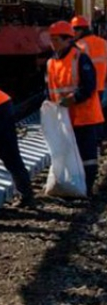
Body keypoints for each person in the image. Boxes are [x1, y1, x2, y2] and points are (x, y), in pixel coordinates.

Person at [46, 21, 104, 195]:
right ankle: (71, 186)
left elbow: (89, 86)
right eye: (51, 39)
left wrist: (74, 99)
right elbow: (49, 89)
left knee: (87, 155)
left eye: (56, 40)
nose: (52, 43)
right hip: (64, 117)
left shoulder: (80, 58)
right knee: (66, 153)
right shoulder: (50, 63)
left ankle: (87, 188)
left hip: (84, 116)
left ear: (67, 40)